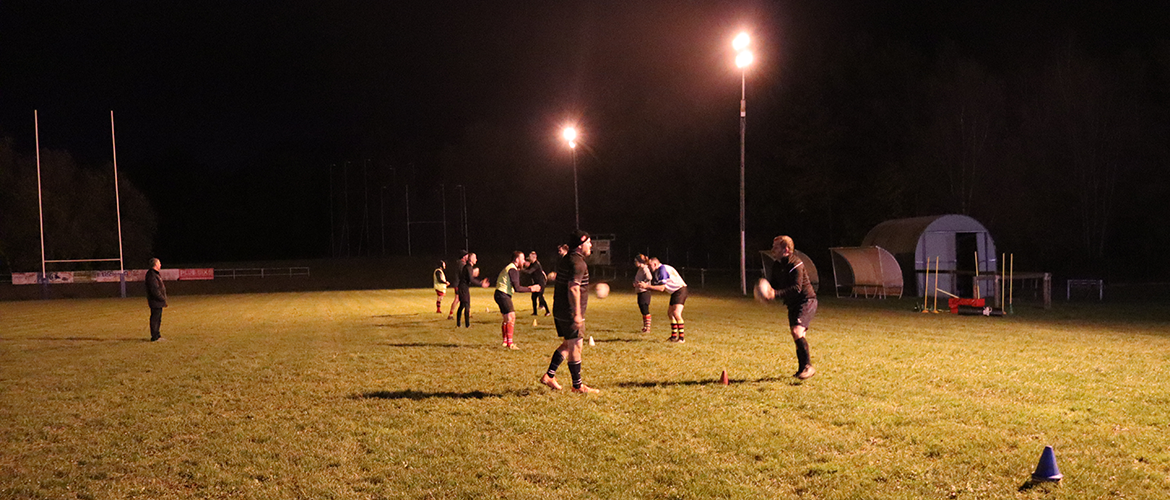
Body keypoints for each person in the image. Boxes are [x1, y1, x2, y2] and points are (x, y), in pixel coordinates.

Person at [539, 230, 599, 393]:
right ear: (580, 245)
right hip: (570, 311)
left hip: (559, 309)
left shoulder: (567, 260)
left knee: (568, 344)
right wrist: (577, 314)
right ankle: (577, 386)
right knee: (575, 346)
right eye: (589, 242)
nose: (591, 245)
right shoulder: (578, 263)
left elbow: (573, 284)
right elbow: (573, 288)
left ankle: (549, 376)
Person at [764, 235, 818, 380]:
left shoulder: (796, 264)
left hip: (806, 301)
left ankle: (808, 367)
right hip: (793, 303)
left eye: (775, 247)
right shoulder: (777, 265)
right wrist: (765, 290)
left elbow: (796, 288)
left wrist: (774, 293)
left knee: (797, 331)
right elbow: (773, 285)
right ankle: (802, 369)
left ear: (786, 250)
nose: (772, 250)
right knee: (798, 336)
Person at [495, 251, 542, 349]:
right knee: (511, 317)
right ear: (517, 259)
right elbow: (518, 288)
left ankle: (505, 341)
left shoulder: (510, 268)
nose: (524, 261)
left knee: (506, 319)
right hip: (503, 294)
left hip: (499, 293)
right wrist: (531, 289)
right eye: (522, 259)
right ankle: (510, 344)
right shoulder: (512, 269)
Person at [637, 257, 688, 342]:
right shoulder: (660, 269)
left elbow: (661, 288)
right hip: (675, 292)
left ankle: (682, 338)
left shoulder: (662, 270)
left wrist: (647, 287)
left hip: (680, 290)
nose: (649, 267)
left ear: (655, 264)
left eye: (650, 265)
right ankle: (673, 336)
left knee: (676, 313)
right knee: (670, 313)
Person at [455, 252, 489, 328]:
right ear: (471, 259)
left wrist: (479, 281)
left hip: (464, 287)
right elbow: (471, 279)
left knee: (462, 305)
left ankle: (459, 324)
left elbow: (470, 277)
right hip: (463, 288)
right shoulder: (468, 267)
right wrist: (481, 284)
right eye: (475, 258)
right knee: (466, 306)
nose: (476, 260)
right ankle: (467, 325)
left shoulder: (468, 267)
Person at [145, 258, 168, 342]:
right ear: (155, 264)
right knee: (155, 318)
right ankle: (154, 336)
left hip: (157, 301)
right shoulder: (151, 275)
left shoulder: (155, 274)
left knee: (158, 318)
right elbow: (154, 289)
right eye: (159, 263)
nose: (160, 265)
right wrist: (161, 298)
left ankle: (157, 335)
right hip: (155, 301)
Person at [524, 251, 550, 316]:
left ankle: (548, 311)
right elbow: (528, 270)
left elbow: (529, 272)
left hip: (541, 282)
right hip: (536, 283)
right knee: (534, 297)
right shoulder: (532, 264)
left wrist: (521, 269)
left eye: (530, 257)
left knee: (540, 296)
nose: (529, 259)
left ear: (534, 257)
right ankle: (535, 313)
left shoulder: (536, 264)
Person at [633, 254, 653, 332]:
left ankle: (648, 328)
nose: (635, 262)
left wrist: (644, 283)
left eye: (636, 261)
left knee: (645, 309)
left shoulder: (645, 268)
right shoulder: (640, 269)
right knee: (642, 309)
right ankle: (645, 327)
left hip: (645, 292)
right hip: (640, 291)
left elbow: (649, 277)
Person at [447, 253, 467, 319]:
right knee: (457, 299)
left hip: (457, 283)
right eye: (467, 255)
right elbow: (463, 273)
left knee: (463, 298)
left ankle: (468, 313)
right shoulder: (461, 264)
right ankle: (451, 314)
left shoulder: (458, 263)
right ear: (464, 256)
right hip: (459, 284)